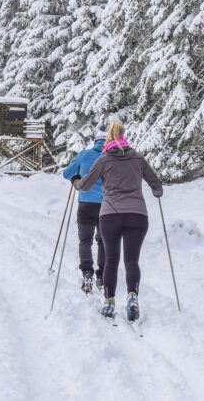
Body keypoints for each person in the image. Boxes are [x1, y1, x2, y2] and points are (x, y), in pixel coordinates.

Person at [73, 120, 163, 322]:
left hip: (110, 215)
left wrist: (76, 183)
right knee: (132, 260)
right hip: (137, 215)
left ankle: (109, 301)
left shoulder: (104, 159)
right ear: (124, 136)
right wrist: (157, 191)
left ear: (108, 139)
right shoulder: (138, 158)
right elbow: (155, 183)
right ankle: (132, 295)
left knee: (112, 260)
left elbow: (86, 184)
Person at [62, 124, 107, 293]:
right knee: (103, 241)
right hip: (105, 205)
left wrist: (76, 176)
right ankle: (101, 275)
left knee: (85, 241)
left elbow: (66, 174)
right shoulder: (110, 156)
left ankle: (87, 273)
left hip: (86, 204)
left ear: (95, 140)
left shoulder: (85, 154)